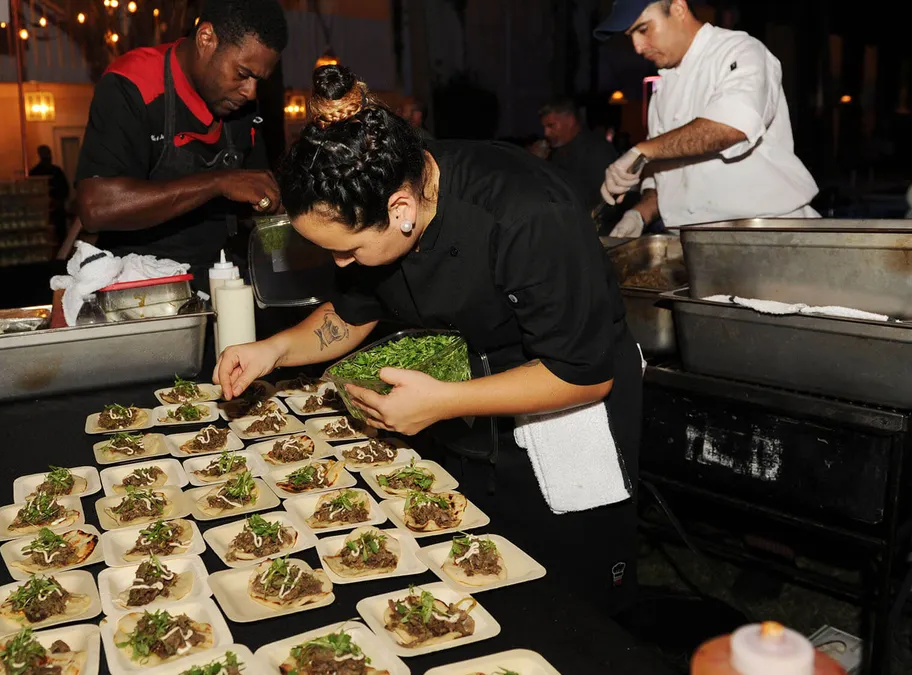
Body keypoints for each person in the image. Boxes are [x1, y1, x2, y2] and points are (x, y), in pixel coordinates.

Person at [216, 65, 643, 615]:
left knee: (567, 603)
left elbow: (583, 371)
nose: (341, 264)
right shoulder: (378, 191)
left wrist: (443, 402)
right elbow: (349, 314)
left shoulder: (529, 213)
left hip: (563, 407)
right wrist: (272, 350)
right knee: (474, 590)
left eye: (348, 252)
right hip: (462, 408)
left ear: (401, 211)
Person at [74, 0, 286, 288]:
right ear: (206, 39)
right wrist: (218, 183)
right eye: (243, 74)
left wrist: (282, 258)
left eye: (259, 80)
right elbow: (95, 207)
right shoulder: (133, 84)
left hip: (222, 277)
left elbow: (261, 202)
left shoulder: (243, 108)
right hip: (141, 288)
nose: (250, 92)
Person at [595, 0, 819, 237]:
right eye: (630, 36)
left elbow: (733, 127)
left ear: (678, 8)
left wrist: (642, 150)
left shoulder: (740, 51)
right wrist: (639, 214)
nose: (638, 47)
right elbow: (666, 173)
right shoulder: (663, 88)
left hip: (770, 235)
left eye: (643, 29)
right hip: (698, 245)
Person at [538, 98, 619, 208]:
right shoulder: (556, 151)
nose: (546, 133)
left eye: (551, 126)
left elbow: (601, 200)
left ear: (570, 121)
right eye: (544, 127)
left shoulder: (596, 149)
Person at [29, 144, 71, 243]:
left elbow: (65, 190)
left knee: (59, 239)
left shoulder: (56, 171)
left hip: (54, 212)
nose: (48, 157)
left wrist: (57, 202)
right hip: (44, 212)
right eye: (46, 155)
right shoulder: (35, 173)